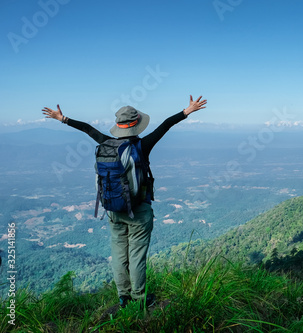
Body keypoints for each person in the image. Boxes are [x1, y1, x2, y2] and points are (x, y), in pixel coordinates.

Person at [42, 96, 207, 308]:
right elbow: (166, 125)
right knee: (136, 254)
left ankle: (123, 296)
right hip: (138, 211)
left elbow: (87, 128)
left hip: (113, 210)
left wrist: (62, 118)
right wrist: (187, 111)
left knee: (119, 253)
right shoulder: (141, 145)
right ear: (136, 125)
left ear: (118, 126)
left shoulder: (106, 143)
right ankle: (139, 296)